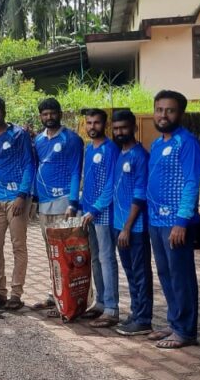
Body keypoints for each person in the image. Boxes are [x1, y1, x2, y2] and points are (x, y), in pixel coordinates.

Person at [147, 90, 200, 349]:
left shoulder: (187, 142)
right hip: (156, 221)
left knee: (181, 276)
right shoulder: (158, 144)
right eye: (159, 109)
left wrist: (182, 221)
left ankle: (186, 331)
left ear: (179, 113)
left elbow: (192, 182)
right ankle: (174, 323)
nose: (163, 115)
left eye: (169, 110)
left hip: (176, 223)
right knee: (166, 274)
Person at [29, 98, 83, 314]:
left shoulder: (72, 139)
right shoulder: (38, 141)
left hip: (64, 205)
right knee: (52, 254)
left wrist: (73, 202)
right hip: (44, 205)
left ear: (60, 114)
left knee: (68, 254)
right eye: (45, 114)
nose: (49, 117)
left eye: (52, 113)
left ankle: (70, 299)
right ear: (40, 116)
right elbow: (35, 167)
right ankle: (56, 294)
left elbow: (75, 171)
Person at [0, 97, 34, 311]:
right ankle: (0, 292)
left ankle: (16, 294)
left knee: (18, 247)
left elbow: (29, 164)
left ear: (4, 112)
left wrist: (22, 194)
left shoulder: (19, 134)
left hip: (17, 199)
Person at [110, 110, 154, 336]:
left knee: (140, 273)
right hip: (120, 225)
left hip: (134, 228)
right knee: (130, 272)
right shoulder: (119, 153)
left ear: (134, 128)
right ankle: (136, 312)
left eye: (123, 128)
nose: (119, 133)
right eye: (116, 129)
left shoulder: (140, 156)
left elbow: (139, 195)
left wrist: (127, 227)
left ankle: (144, 319)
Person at [79, 108, 121, 327]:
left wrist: (95, 208)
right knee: (94, 258)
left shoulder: (111, 149)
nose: (92, 126)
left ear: (104, 125)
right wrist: (79, 205)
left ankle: (112, 309)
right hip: (88, 213)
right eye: (89, 122)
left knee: (106, 258)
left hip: (103, 214)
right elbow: (88, 181)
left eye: (96, 123)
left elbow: (111, 185)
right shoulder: (88, 148)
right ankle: (100, 302)